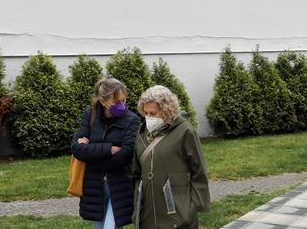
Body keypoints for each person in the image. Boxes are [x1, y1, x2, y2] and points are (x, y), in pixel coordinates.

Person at [134, 85, 210, 228]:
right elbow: (136, 170)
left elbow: (199, 170)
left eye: (153, 113)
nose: (148, 118)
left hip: (177, 210)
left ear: (166, 111)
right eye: (146, 113)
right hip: (148, 209)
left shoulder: (185, 131)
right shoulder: (142, 132)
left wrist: (192, 206)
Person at [72, 77, 140, 228]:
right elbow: (77, 149)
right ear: (103, 102)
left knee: (111, 226)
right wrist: (109, 149)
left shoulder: (132, 120)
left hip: (119, 184)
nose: (122, 105)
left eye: (124, 100)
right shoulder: (90, 115)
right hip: (95, 186)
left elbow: (126, 155)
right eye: (116, 102)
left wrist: (91, 154)